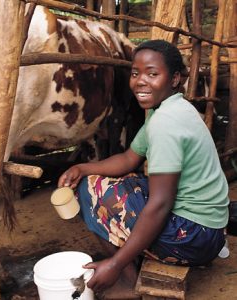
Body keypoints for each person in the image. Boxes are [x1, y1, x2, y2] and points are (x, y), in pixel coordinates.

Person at [58, 39, 229, 293]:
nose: (140, 81)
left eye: (152, 74)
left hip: (194, 238)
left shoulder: (165, 123)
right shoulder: (168, 109)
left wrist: (115, 263)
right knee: (118, 180)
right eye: (136, 73)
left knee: (89, 192)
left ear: (174, 79)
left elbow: (160, 205)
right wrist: (83, 168)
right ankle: (133, 259)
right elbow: (129, 158)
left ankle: (126, 280)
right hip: (210, 228)